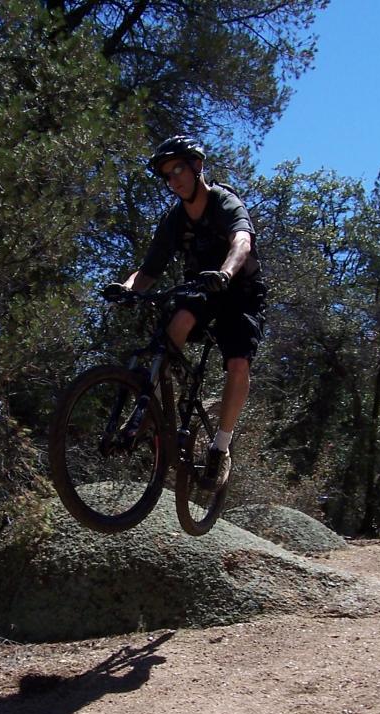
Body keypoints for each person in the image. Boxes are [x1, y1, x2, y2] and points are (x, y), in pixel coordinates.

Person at [106, 135, 267, 491]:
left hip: (239, 289)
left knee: (238, 364)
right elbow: (148, 271)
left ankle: (221, 447)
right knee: (176, 325)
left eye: (178, 168)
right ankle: (149, 408)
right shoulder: (174, 220)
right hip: (201, 290)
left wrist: (225, 272)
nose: (173, 179)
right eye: (167, 175)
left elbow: (242, 241)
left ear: (197, 167)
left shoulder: (224, 202)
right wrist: (128, 289)